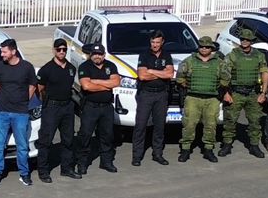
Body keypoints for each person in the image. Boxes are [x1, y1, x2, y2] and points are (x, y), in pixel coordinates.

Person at [0, 38, 37, 186]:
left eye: (4, 51)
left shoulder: (27, 67)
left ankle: (24, 173)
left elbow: (33, 85)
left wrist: (24, 100)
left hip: (21, 113)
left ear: (13, 51)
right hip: (1, 112)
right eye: (1, 51)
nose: (2, 54)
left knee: (22, 145)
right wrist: (5, 96)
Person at [35, 37, 80, 182]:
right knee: (46, 140)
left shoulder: (71, 68)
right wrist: (47, 102)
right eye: (59, 49)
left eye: (64, 50)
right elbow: (39, 89)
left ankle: (66, 168)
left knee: (68, 139)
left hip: (67, 106)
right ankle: (43, 171)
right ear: (54, 50)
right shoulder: (46, 69)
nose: (62, 52)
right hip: (52, 107)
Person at [176, 36, 226, 162]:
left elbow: (226, 79)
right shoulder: (189, 61)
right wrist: (188, 86)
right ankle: (185, 150)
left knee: (211, 125)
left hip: (212, 99)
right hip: (193, 98)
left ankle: (208, 150)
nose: (204, 49)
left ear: (211, 48)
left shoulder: (219, 62)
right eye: (202, 46)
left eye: (207, 47)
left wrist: (218, 90)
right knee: (189, 124)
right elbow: (180, 77)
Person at [220, 28, 268, 159]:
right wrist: (226, 92)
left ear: (252, 41)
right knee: (230, 120)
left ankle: (254, 145)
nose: (245, 41)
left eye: (247, 39)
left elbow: (264, 73)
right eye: (242, 39)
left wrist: (263, 93)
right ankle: (227, 144)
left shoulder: (259, 55)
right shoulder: (233, 54)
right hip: (235, 92)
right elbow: (224, 74)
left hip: (253, 92)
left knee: (255, 121)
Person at [131, 30, 175, 166]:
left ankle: (157, 154)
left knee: (160, 126)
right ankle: (137, 156)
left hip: (161, 94)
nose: (155, 45)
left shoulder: (167, 55)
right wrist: (161, 73)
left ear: (162, 42)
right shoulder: (144, 55)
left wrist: (152, 71)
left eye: (157, 42)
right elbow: (142, 76)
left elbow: (170, 74)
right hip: (146, 94)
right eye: (152, 42)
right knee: (141, 125)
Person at [76, 43, 121, 173]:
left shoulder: (110, 66)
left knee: (107, 136)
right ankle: (82, 163)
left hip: (106, 107)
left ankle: (106, 162)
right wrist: (107, 86)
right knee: (85, 135)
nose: (97, 56)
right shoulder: (85, 66)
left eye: (100, 54)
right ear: (91, 54)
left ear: (104, 55)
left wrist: (95, 81)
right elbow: (86, 86)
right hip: (90, 107)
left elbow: (116, 82)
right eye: (94, 54)